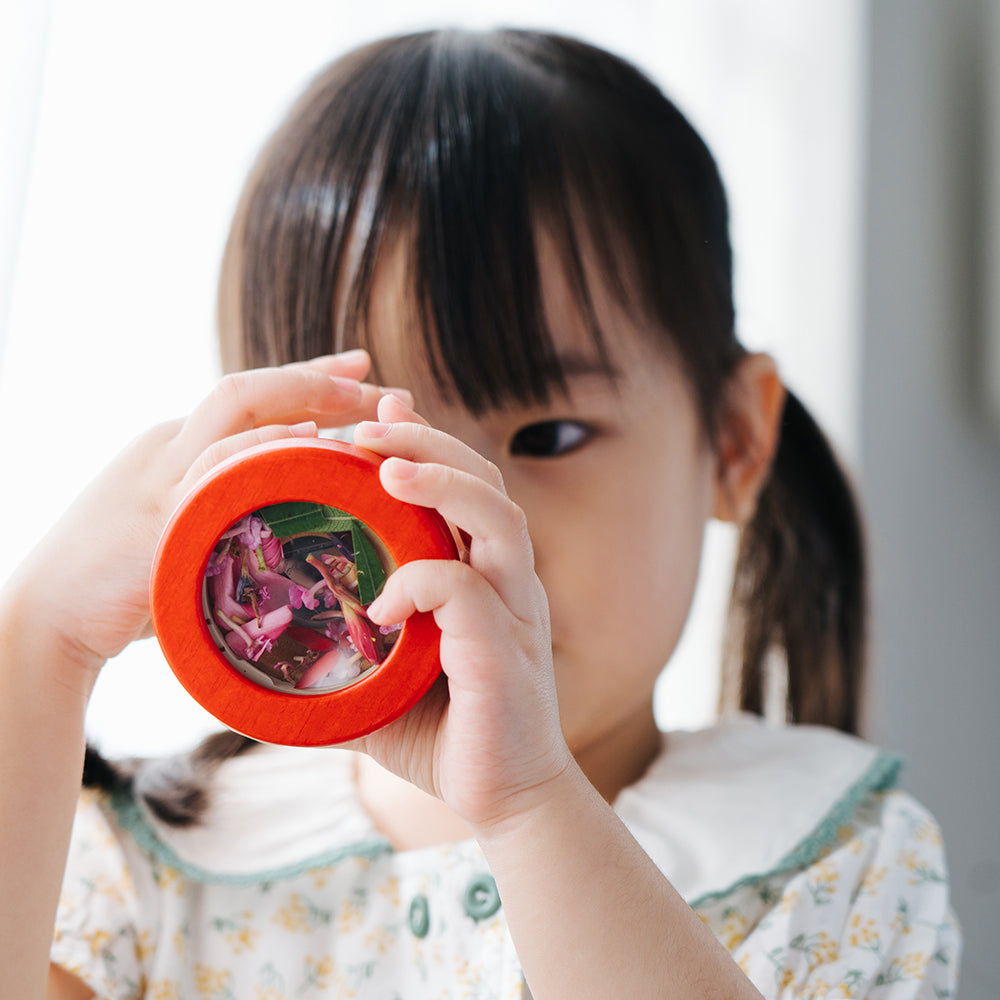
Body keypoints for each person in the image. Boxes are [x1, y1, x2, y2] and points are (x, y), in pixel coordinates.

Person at [0, 29, 959, 1000]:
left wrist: (529, 803)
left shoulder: (829, 854)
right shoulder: (148, 870)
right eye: (360, 453)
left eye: (545, 437)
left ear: (734, 444)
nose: (457, 535)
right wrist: (38, 646)